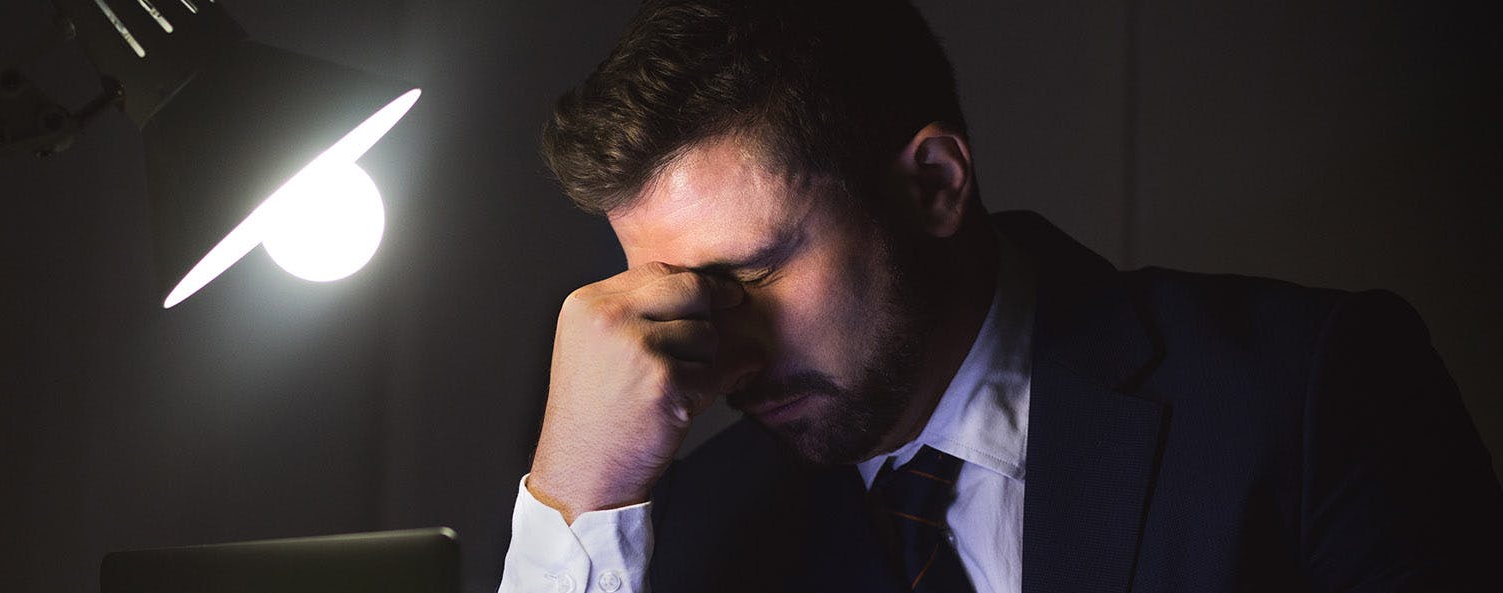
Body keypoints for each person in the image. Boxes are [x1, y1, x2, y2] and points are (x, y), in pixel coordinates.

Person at [496, 1, 1503, 592]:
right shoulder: (682, 534)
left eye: (751, 273)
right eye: (674, 293)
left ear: (934, 184)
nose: (725, 349)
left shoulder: (1310, 392)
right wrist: (573, 500)